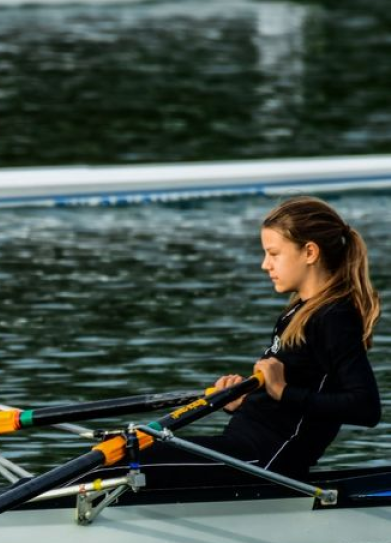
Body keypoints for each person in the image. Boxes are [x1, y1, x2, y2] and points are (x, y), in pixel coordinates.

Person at [86, 196, 381, 487]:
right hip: (243, 447)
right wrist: (244, 401)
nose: (265, 265)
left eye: (274, 253)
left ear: (310, 252)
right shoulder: (297, 311)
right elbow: (298, 392)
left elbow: (366, 407)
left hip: (265, 461)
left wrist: (281, 391)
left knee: (123, 462)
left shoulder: (334, 317)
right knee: (116, 451)